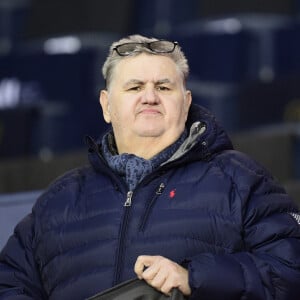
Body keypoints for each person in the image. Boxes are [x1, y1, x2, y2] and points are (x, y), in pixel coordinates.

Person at [0, 34, 300, 300]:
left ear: (186, 103)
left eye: (164, 87)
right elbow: (8, 284)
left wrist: (194, 278)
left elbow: (290, 271)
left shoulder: (242, 178)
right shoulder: (59, 200)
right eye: (134, 87)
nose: (150, 97)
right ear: (106, 106)